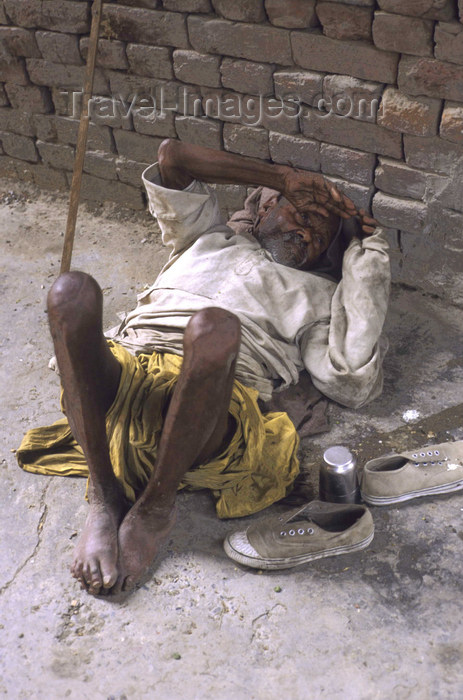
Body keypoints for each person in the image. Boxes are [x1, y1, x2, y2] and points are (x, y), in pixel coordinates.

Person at [17, 139, 390, 597]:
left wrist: (366, 253)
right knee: (69, 292)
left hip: (215, 402)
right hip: (133, 367)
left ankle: (156, 507)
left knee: (214, 328)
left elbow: (353, 381)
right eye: (304, 215)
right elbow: (172, 157)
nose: (309, 234)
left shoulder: (315, 296)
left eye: (324, 238)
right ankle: (103, 495)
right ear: (267, 209)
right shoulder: (205, 237)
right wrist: (283, 178)